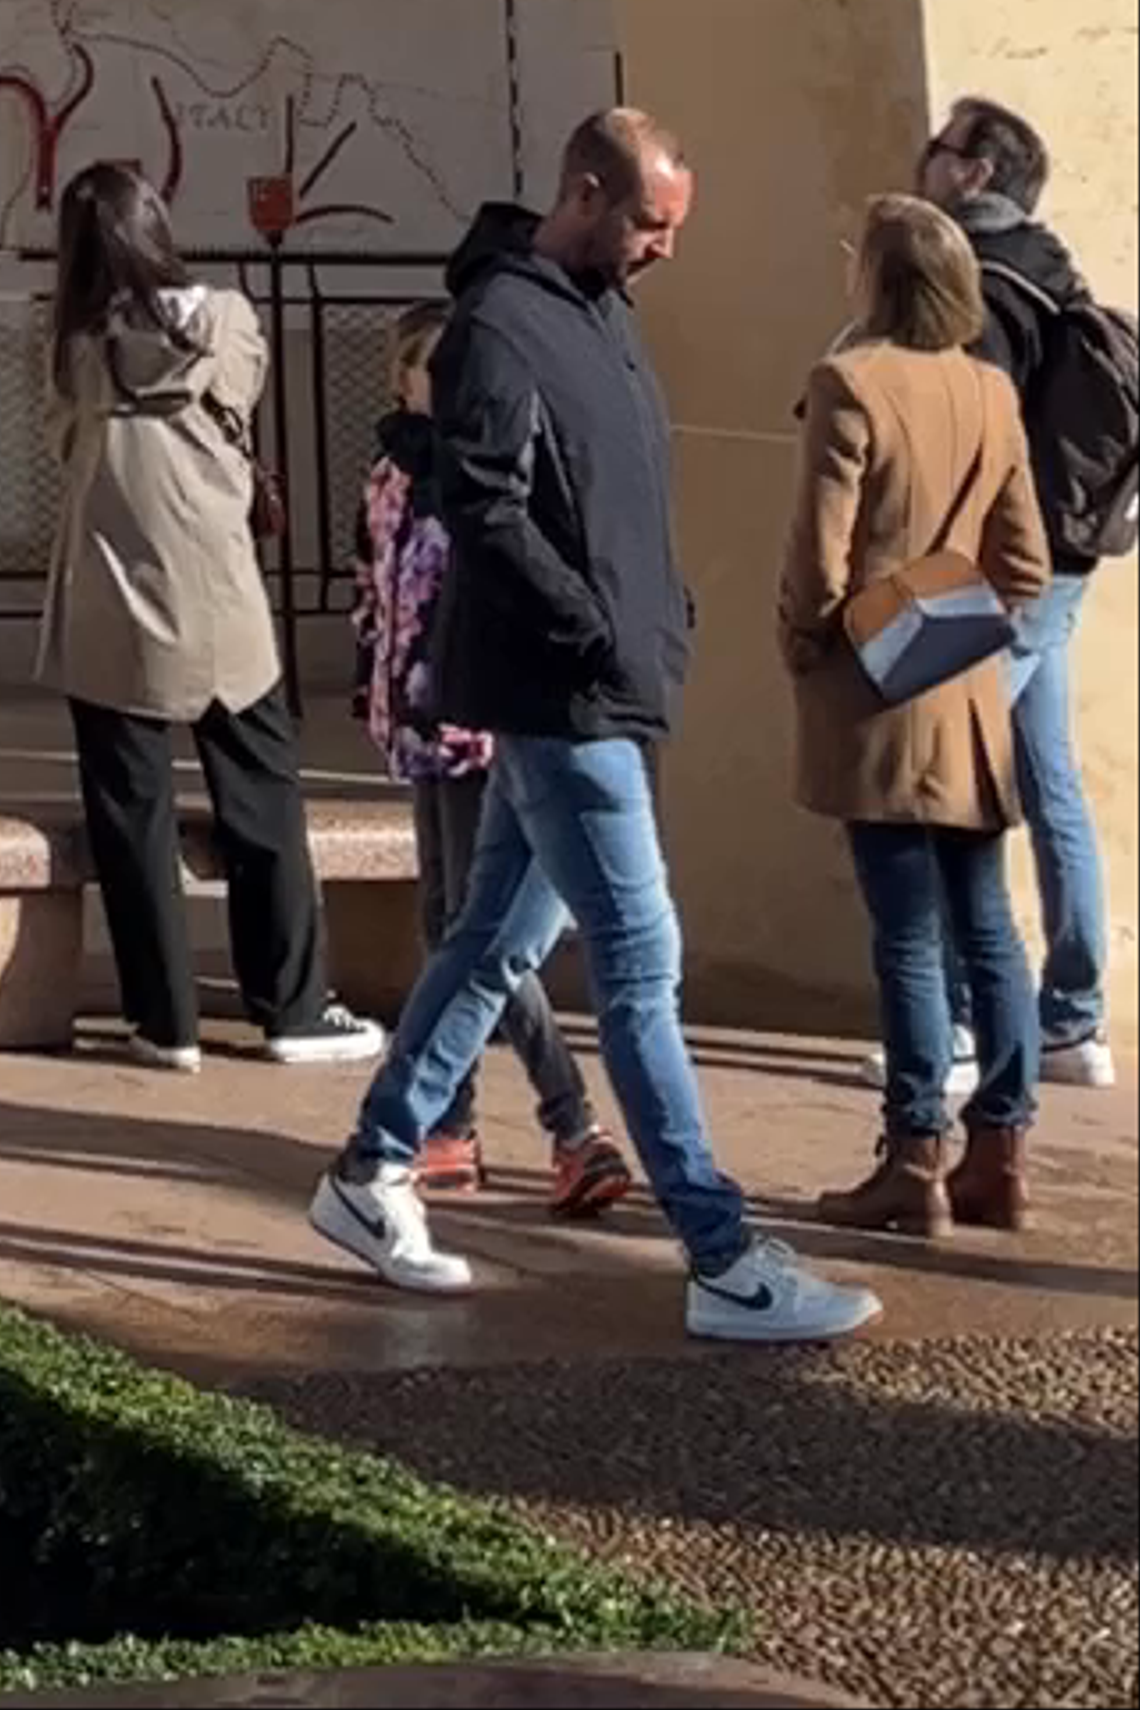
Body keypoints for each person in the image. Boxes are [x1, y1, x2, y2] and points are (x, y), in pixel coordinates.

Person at [309, 104, 875, 1344]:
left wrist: (649, 615)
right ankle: (722, 1252)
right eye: (653, 222)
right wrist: (592, 624)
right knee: (640, 966)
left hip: (596, 683)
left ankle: (370, 1167)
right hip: (562, 696)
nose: (667, 247)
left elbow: (605, 494)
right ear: (586, 192)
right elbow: (486, 503)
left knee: (492, 941)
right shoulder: (501, 325)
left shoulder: (595, 312)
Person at [35, 159, 374, 1067]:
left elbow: (63, 435)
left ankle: (163, 1021)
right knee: (263, 795)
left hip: (113, 602)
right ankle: (293, 1008)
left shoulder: (74, 347)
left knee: (130, 812)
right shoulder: (228, 320)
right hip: (220, 596)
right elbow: (246, 393)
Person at [786, 195, 1055, 1241]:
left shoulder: (849, 380)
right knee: (986, 924)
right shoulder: (989, 389)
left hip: (875, 685)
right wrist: (940, 627)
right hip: (966, 693)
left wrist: (822, 639)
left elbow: (819, 554)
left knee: (904, 930)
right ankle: (1005, 1147)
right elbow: (1023, 563)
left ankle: (913, 1153)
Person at [351, 302, 631, 1215]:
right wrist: (376, 687)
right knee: (443, 925)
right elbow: (375, 589)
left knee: (483, 936)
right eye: (436, 366)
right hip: (418, 726)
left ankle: (571, 1119)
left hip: (477, 729)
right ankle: (453, 1123)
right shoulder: (392, 472)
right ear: (405, 376)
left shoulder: (485, 477)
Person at [920, 92, 1128, 1086]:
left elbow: (977, 432)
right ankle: (1073, 1018)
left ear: (980, 172)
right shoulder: (1052, 267)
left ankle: (958, 1021)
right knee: (1049, 782)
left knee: (941, 779)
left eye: (944, 147)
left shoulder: (983, 281)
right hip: (1063, 563)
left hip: (998, 569)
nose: (927, 156)